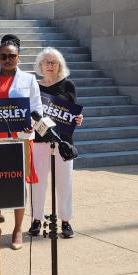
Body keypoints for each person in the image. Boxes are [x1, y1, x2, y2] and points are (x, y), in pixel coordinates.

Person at [0, 34, 43, 250]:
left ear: (19, 57)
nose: (7, 59)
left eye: (12, 56)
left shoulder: (29, 79)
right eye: (3, 56)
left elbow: (37, 108)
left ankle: (17, 229)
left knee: (18, 185)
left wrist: (31, 124)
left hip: (20, 140)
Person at [29, 47, 83, 239]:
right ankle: (36, 219)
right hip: (39, 140)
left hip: (63, 142)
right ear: (40, 65)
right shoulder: (34, 86)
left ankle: (66, 221)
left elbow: (73, 114)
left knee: (65, 182)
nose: (50, 65)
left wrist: (78, 118)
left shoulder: (68, 86)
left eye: (53, 62)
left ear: (59, 65)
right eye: (46, 62)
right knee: (38, 183)